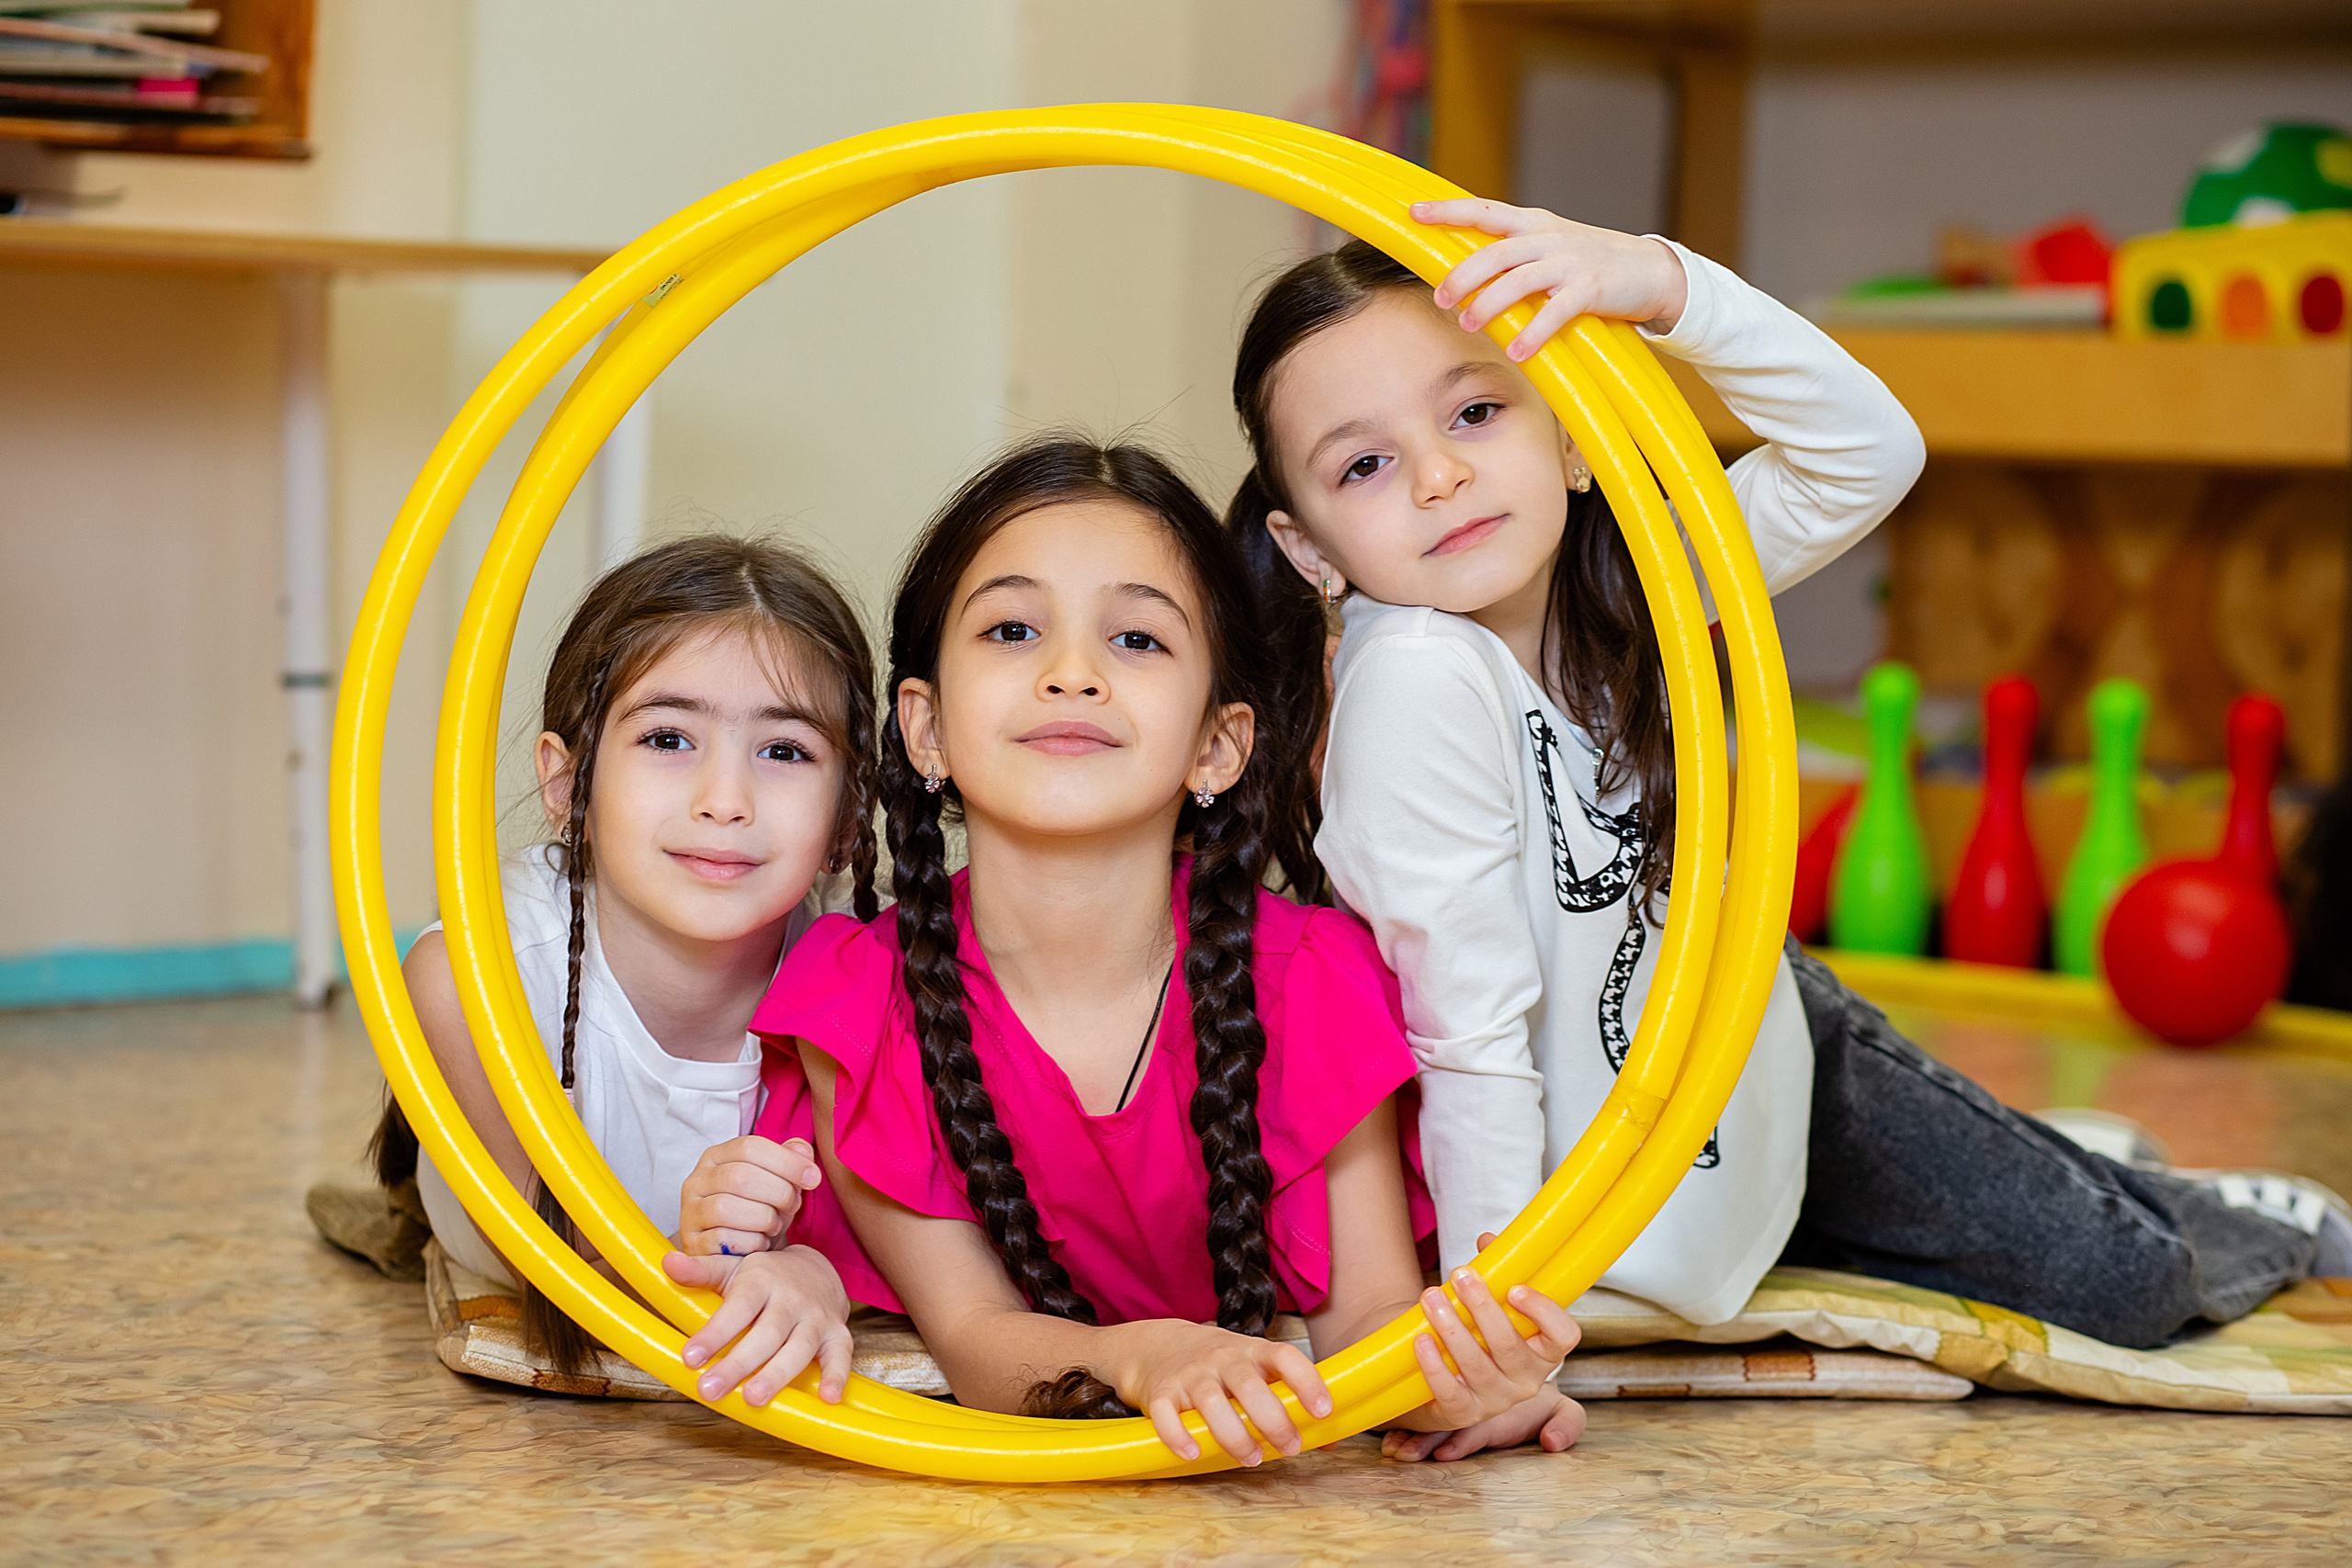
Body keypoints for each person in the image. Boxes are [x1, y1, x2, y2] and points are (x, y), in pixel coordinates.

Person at [1225, 198, 2350, 1458]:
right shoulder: (1417, 679)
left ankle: (2214, 1202)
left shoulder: (1633, 581)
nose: (1438, 474)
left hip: (1759, 1036)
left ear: (1575, 435)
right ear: (1307, 547)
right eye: (1363, 464)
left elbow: (1867, 451)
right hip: (1667, 1109)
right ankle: (2058, 1158)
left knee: (2131, 1273)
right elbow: (1468, 1029)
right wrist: (1504, 1324)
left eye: (1476, 411)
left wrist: (1658, 286)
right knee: (2032, 1237)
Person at [683, 437, 1583, 1466]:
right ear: (924, 731)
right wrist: (1145, 1360)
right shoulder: (859, 997)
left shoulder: (1313, 977)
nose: (1073, 674)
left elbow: (1367, 1326)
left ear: (1218, 744)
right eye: (1014, 630)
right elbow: (975, 1341)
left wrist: (1457, 1389)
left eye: (1138, 641)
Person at [361, 534, 879, 1408]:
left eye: (784, 751)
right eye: (670, 737)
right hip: (530, 1239)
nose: (726, 799)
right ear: (569, 786)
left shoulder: (873, 978)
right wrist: (692, 1250)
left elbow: (916, 1244)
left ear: (846, 818)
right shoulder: (474, 976)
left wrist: (820, 1272)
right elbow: (568, 1279)